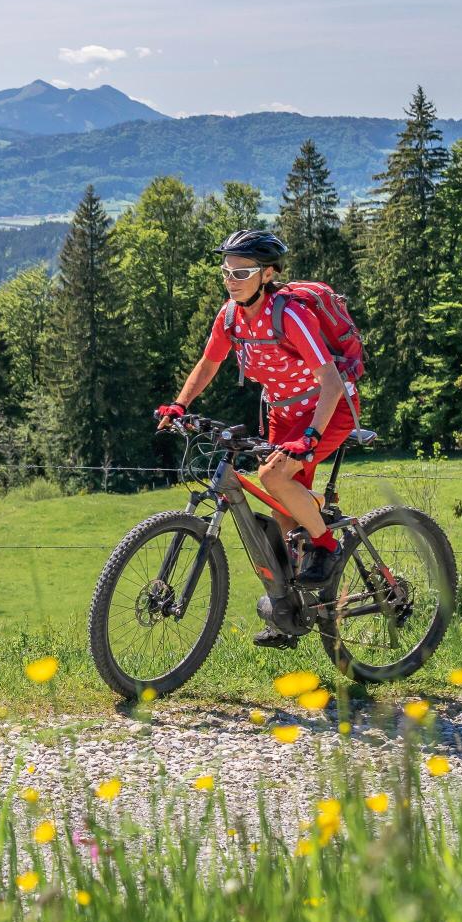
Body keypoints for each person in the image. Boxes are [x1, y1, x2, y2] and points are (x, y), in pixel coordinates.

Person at [154, 229, 356, 647]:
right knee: (281, 516)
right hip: (284, 413)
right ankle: (289, 612)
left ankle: (327, 543)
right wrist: (180, 405)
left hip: (328, 408)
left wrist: (312, 436)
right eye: (226, 271)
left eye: (242, 271)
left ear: (267, 274)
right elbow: (208, 364)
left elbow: (331, 381)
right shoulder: (229, 316)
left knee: (274, 477)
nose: (231, 279)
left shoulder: (290, 315)